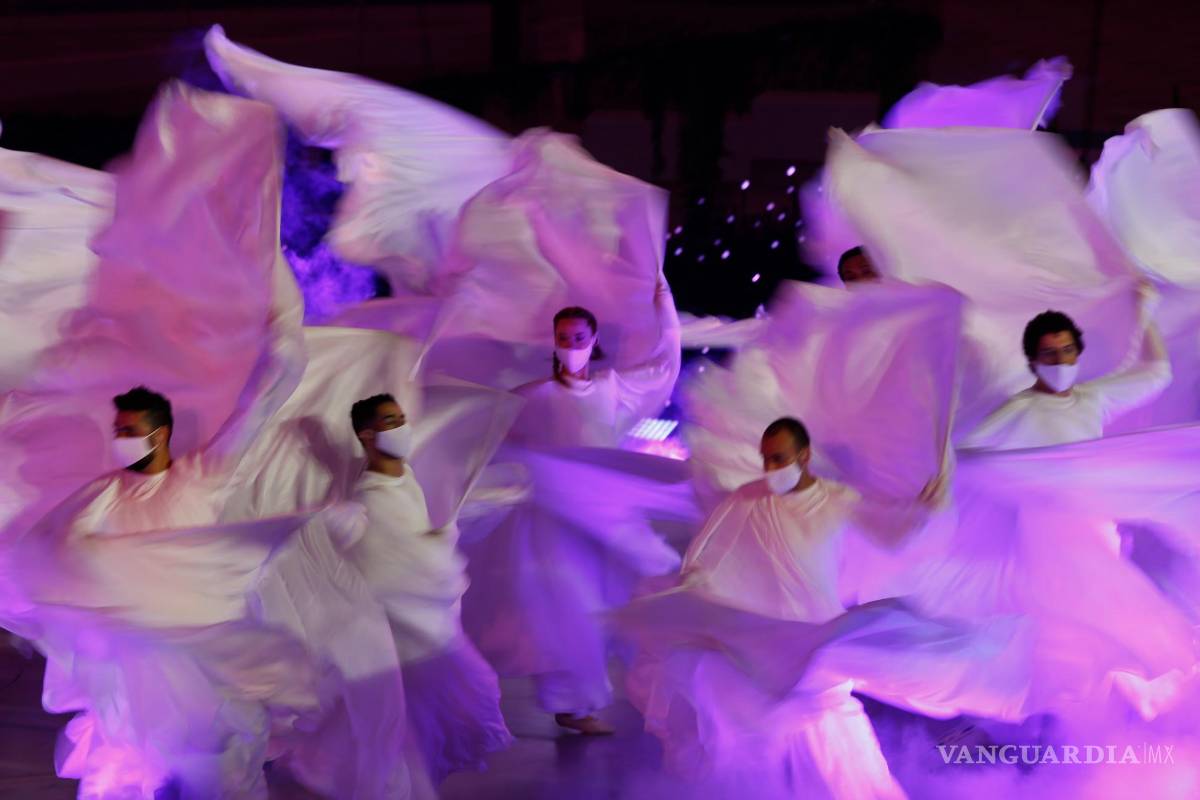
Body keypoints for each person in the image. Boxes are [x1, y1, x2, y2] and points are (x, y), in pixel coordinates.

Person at [619, 418, 1012, 800]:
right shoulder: (748, 499)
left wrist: (925, 512)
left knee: (826, 725)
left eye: (779, 458)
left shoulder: (839, 502)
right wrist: (695, 594)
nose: (771, 468)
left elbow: (891, 533)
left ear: (804, 456)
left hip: (818, 640)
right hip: (763, 644)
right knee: (758, 729)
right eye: (766, 458)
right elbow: (707, 555)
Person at [463, 279, 685, 736]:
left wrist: (666, 308)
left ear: (594, 340)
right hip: (552, 525)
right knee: (567, 605)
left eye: (578, 338)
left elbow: (664, 366)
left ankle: (647, 689)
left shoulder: (612, 387)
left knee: (626, 592)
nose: (570, 346)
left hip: (603, 515)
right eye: (562, 339)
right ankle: (572, 703)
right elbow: (488, 434)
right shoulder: (531, 396)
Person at [333, 393, 512, 782]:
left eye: (402, 419)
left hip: (425, 631)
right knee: (427, 721)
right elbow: (405, 566)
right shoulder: (372, 497)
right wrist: (447, 539)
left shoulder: (402, 476)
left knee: (419, 731)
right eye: (390, 422)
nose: (402, 429)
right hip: (411, 640)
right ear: (366, 435)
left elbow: (419, 545)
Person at [964, 307, 1171, 451]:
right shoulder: (1020, 409)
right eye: (1049, 352)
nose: (1060, 360)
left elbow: (1156, 373)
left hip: (1095, 511)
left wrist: (1142, 310)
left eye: (1067, 350)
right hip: (1042, 514)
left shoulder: (1092, 397)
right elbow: (964, 455)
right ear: (1033, 360)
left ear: (1077, 353)